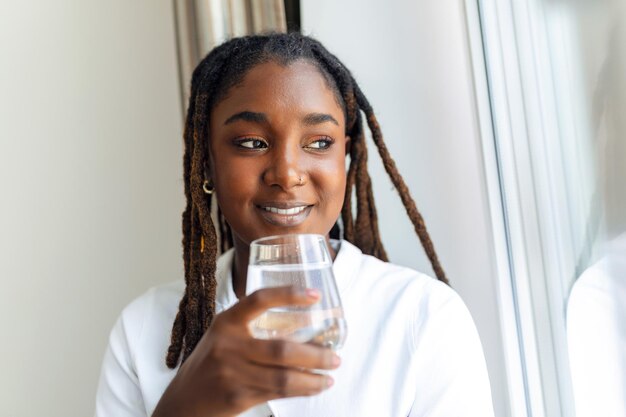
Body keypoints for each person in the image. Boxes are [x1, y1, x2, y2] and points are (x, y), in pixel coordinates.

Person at [94, 32, 494, 417]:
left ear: (347, 160)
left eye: (319, 142)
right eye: (252, 142)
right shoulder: (143, 327)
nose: (286, 174)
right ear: (207, 162)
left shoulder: (424, 317)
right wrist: (184, 407)